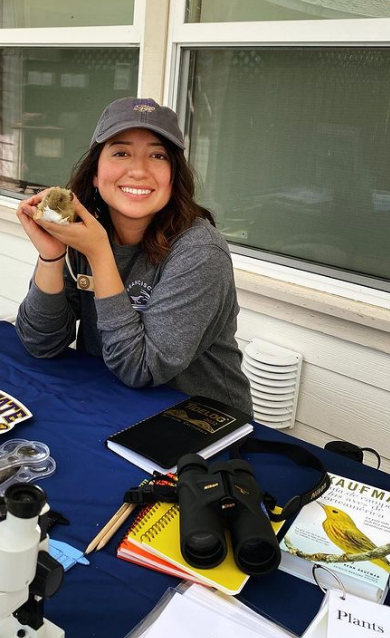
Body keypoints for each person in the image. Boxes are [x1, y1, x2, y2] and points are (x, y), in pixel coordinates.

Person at [15, 97, 252, 415]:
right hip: (111, 403)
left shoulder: (200, 253)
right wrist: (51, 256)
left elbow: (141, 368)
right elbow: (40, 342)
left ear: (173, 176)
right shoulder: (87, 231)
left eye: (157, 155)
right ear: (96, 174)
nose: (139, 170)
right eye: (121, 152)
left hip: (201, 425)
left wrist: (99, 253)